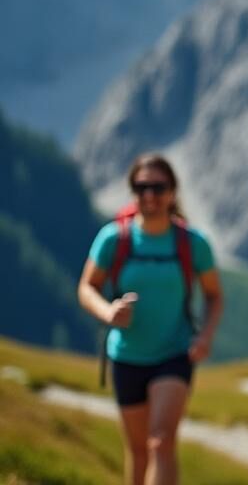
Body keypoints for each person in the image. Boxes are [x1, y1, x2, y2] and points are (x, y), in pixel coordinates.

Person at [77, 153, 223, 485]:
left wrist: (205, 336)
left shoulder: (192, 243)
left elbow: (214, 295)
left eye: (158, 188)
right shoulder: (113, 239)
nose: (149, 196)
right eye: (141, 187)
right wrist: (108, 312)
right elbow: (87, 287)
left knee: (161, 440)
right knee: (138, 450)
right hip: (126, 355)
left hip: (174, 352)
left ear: (173, 192)